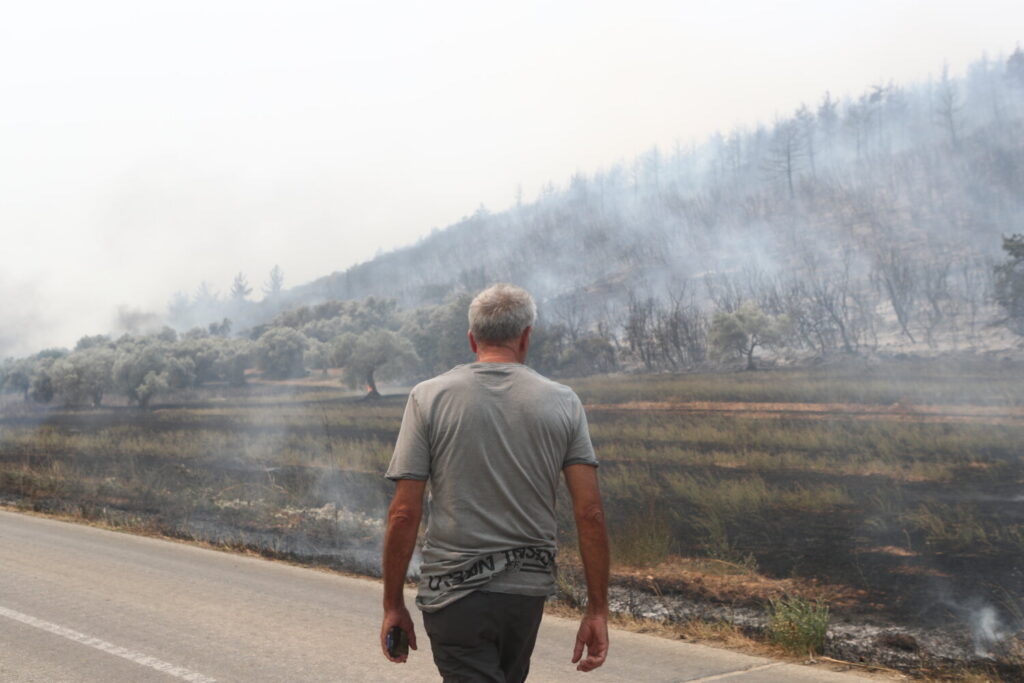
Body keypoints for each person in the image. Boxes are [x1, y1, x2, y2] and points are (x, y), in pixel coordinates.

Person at [379, 283, 610, 682]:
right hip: (526, 596)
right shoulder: (564, 402)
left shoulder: (428, 397)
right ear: (526, 337)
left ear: (472, 339)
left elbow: (403, 513)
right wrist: (597, 611)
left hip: (453, 597)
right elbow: (589, 513)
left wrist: (392, 604)